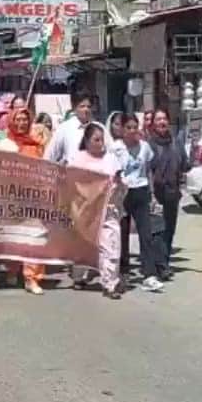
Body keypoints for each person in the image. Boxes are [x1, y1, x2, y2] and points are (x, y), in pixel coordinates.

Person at [68, 124, 126, 299]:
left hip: (107, 209)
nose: (100, 143)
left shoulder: (110, 159)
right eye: (96, 139)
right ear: (87, 140)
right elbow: (71, 184)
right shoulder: (77, 159)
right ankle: (78, 277)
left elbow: (119, 182)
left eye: (102, 139)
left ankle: (110, 284)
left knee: (112, 245)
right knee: (83, 245)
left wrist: (118, 184)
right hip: (85, 211)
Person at [0, 108, 48, 294]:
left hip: (34, 198)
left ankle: (31, 278)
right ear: (10, 121)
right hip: (10, 197)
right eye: (17, 119)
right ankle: (12, 271)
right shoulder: (4, 145)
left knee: (35, 237)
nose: (22, 123)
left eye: (25, 119)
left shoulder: (37, 144)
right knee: (13, 236)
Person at [116, 116, 162, 292]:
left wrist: (152, 195)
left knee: (146, 234)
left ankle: (149, 274)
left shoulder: (145, 147)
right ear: (122, 129)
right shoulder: (116, 148)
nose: (132, 131)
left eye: (135, 127)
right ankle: (124, 273)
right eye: (129, 127)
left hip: (141, 191)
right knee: (122, 234)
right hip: (123, 193)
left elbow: (148, 171)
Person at [147, 109, 189, 281]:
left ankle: (164, 262)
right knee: (158, 229)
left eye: (165, 118)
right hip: (155, 193)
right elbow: (147, 169)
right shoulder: (148, 145)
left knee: (169, 230)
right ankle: (161, 266)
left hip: (172, 192)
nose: (162, 122)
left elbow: (185, 164)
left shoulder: (176, 143)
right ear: (153, 124)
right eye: (158, 119)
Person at [44, 93, 94, 164]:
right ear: (74, 108)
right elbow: (49, 156)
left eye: (88, 107)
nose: (86, 110)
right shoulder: (64, 128)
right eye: (82, 106)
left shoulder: (98, 128)